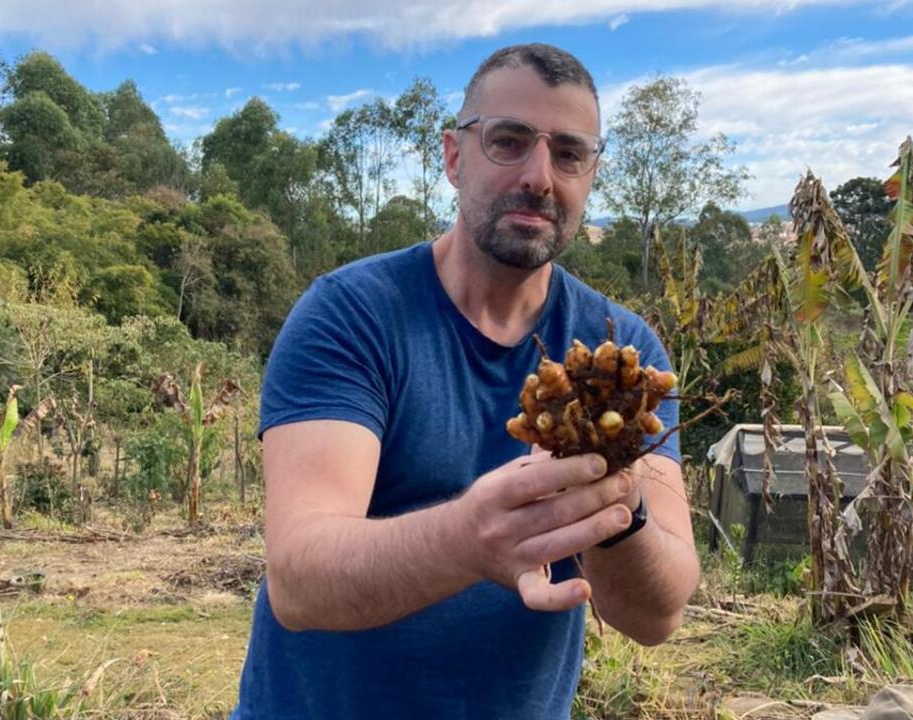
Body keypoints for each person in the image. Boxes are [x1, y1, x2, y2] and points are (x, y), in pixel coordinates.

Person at [231, 43, 700, 719]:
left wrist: (618, 502)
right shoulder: (350, 316)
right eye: (509, 141)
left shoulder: (621, 359)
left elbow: (656, 616)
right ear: (454, 157)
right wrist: (471, 539)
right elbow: (300, 582)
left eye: (569, 153)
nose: (540, 176)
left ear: (591, 174)